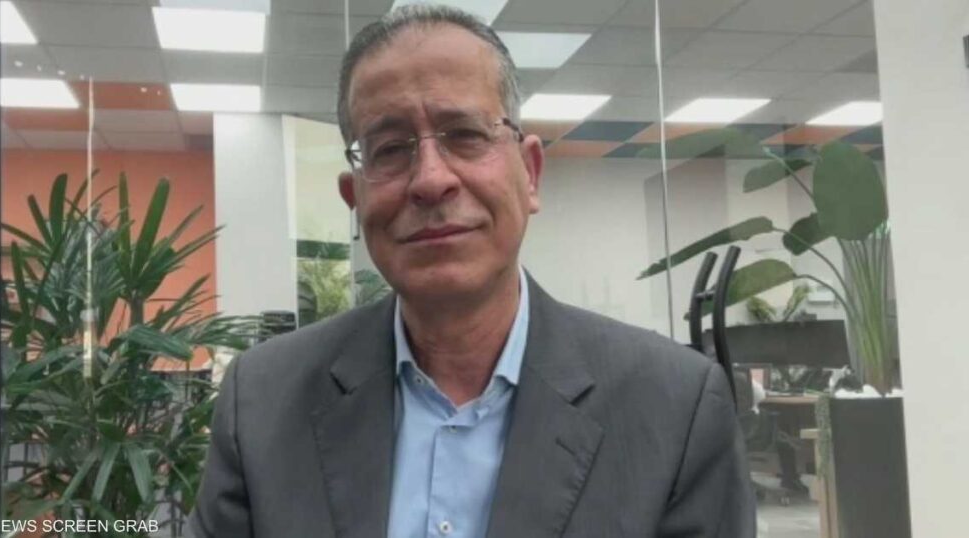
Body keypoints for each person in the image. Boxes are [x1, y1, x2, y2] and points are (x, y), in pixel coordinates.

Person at [187, 5, 754, 537]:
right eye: (389, 149)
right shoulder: (262, 403)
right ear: (354, 200)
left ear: (530, 174)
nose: (431, 180)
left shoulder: (676, 408)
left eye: (465, 135)